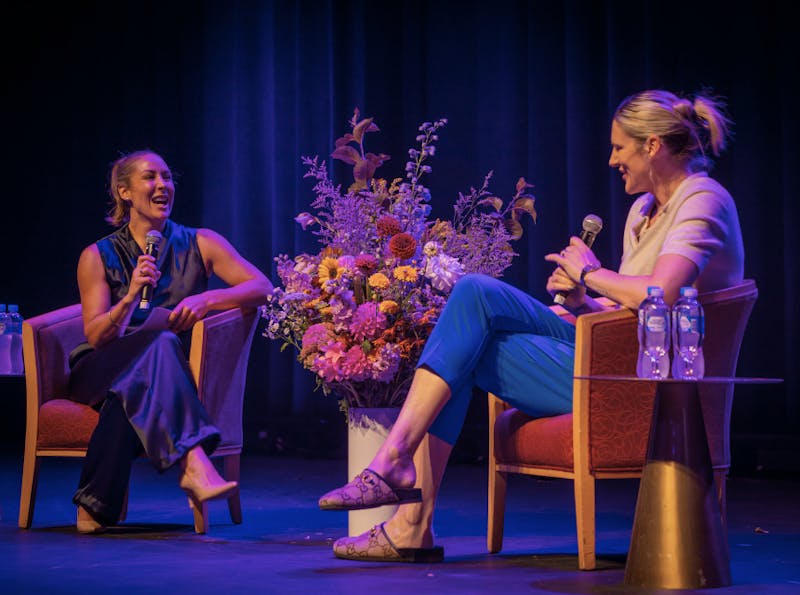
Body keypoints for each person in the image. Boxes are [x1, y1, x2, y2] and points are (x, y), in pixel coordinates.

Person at [318, 89, 745, 562]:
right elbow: (626, 318)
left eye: (619, 147)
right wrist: (583, 301)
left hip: (648, 381)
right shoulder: (643, 212)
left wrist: (588, 273)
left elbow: (662, 297)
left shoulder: (702, 199)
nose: (611, 160)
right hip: (610, 358)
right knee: (467, 314)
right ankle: (405, 507)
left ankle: (404, 501)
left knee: (468, 324)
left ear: (651, 147)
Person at [68, 150, 272, 534]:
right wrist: (129, 299)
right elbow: (94, 336)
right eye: (150, 178)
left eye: (166, 177)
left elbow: (263, 286)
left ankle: (93, 505)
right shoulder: (97, 255)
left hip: (157, 373)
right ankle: (194, 461)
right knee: (161, 343)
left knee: (157, 353)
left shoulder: (202, 243)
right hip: (98, 368)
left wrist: (208, 299)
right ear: (125, 192)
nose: (162, 185)